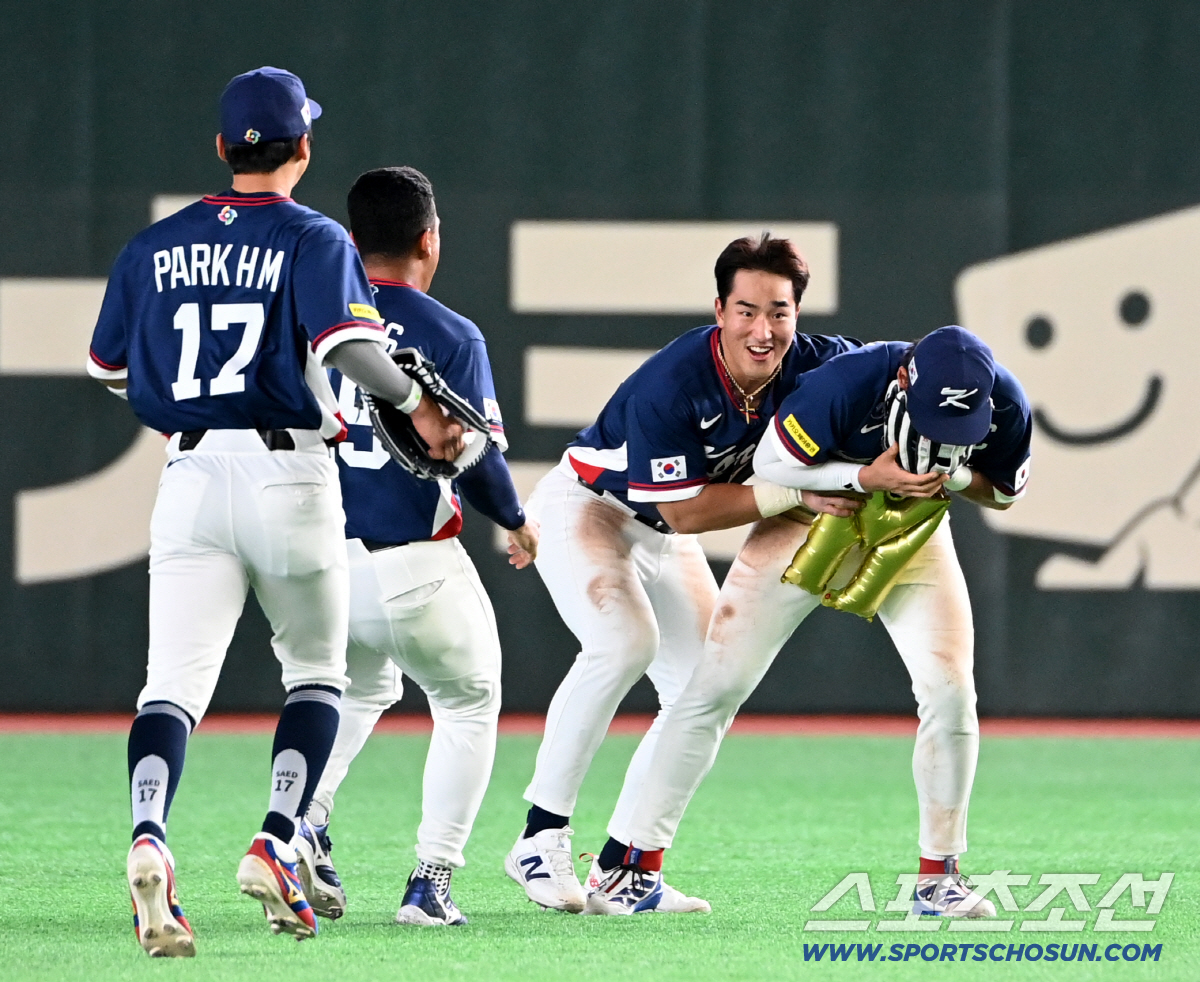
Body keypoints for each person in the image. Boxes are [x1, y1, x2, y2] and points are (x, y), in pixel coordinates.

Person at [87, 68, 463, 957]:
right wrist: (411, 398)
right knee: (317, 677)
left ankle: (149, 836)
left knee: (171, 685)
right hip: (288, 471)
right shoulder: (312, 235)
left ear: (222, 148)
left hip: (188, 474)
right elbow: (347, 346)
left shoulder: (152, 247)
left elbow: (107, 368)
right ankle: (275, 838)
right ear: (303, 148)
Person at [594, 326, 1032, 917]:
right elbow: (774, 462)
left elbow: (1003, 492)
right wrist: (860, 477)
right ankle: (630, 869)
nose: (940, 434)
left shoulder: (1007, 401)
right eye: (929, 418)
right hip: (807, 518)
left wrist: (950, 477)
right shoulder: (850, 382)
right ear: (904, 380)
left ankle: (940, 878)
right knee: (714, 687)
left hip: (914, 527)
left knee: (951, 691)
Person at [505, 234, 861, 913]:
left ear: (797, 315)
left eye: (780, 312)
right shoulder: (676, 381)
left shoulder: (819, 366)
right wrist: (801, 494)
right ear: (720, 310)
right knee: (622, 643)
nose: (764, 330)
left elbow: (896, 371)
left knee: (709, 685)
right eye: (747, 311)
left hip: (662, 530)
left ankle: (626, 869)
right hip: (592, 508)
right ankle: (539, 836)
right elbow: (689, 509)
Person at [288, 166, 539, 927]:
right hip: (413, 567)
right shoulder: (449, 332)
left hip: (324, 566)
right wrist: (513, 519)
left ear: (351, 242)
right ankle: (431, 881)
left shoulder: (310, 322)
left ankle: (303, 819)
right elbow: (476, 451)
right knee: (468, 701)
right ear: (429, 239)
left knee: (361, 689)